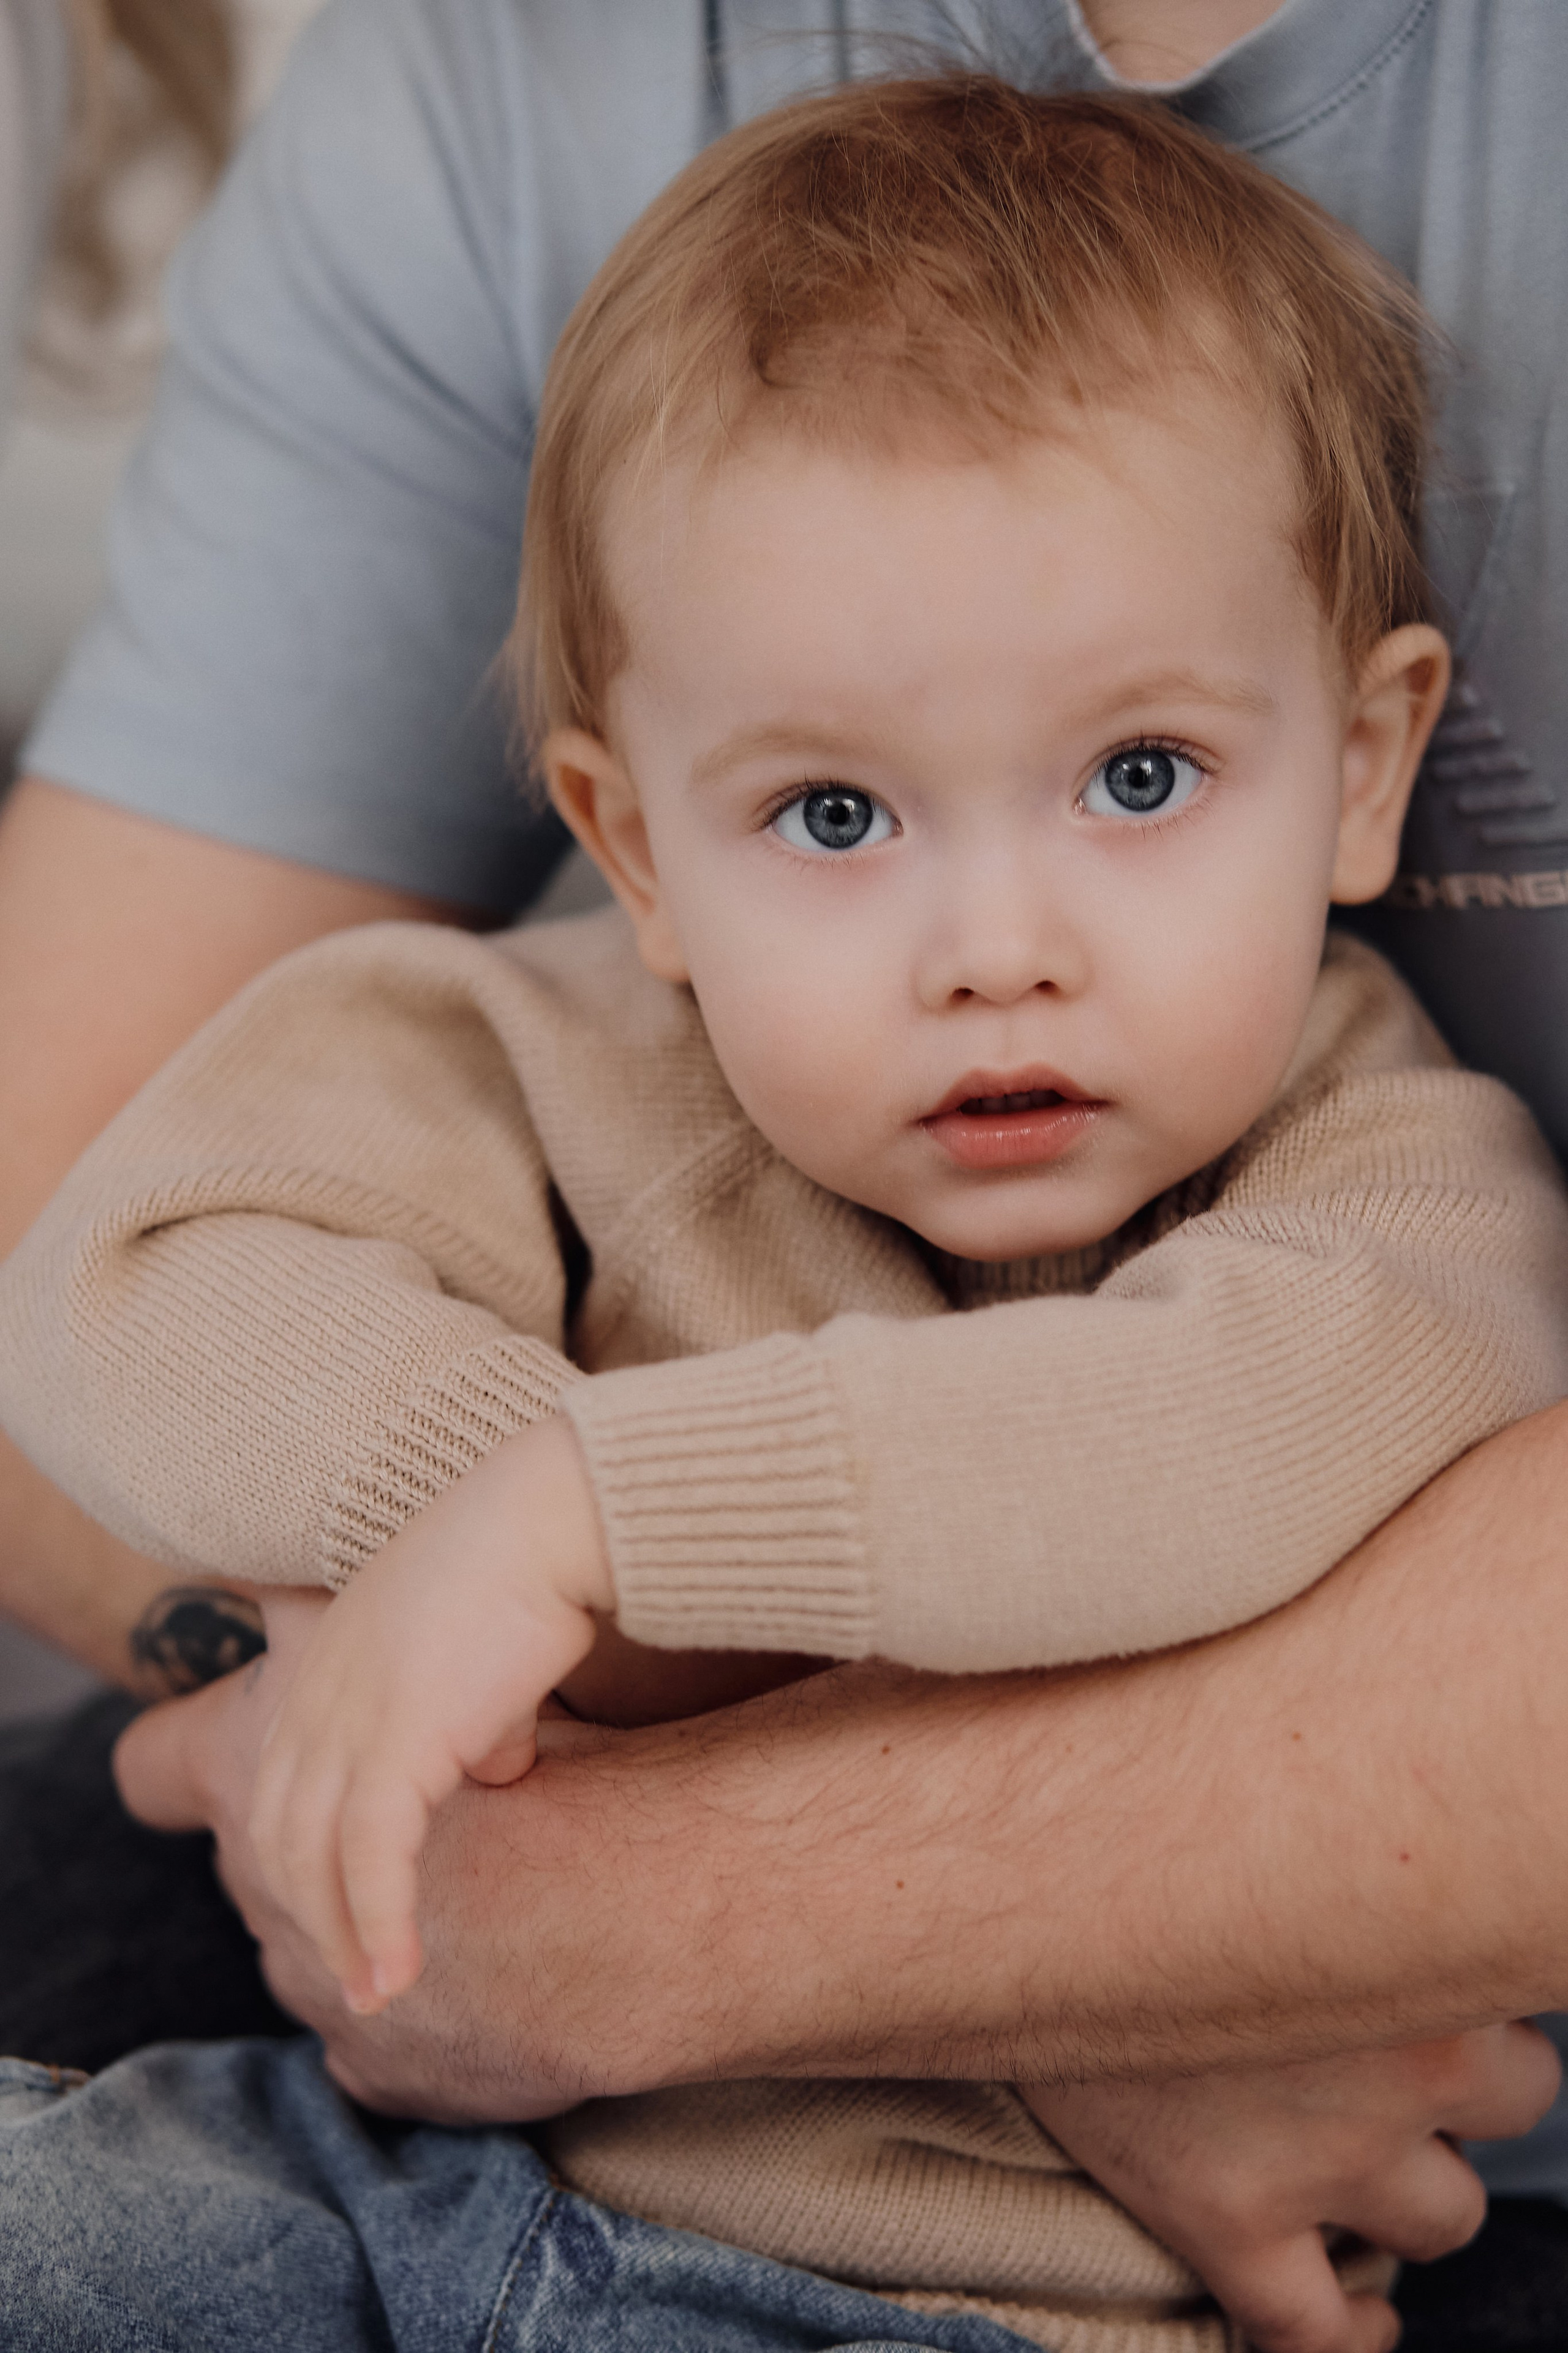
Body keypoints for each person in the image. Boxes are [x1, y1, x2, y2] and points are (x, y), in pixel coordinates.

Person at [3, 2, 1568, 2347]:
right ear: (630, 845)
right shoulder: (555, 1052)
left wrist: (587, 1535)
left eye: (1140, 778)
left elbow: (1182, 1449)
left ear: (1366, 765)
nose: (998, 949)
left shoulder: (1396, 1191)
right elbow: (115, 1274)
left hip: (955, 2301)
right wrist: (464, 1506)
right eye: (833, 817)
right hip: (385, 2152)